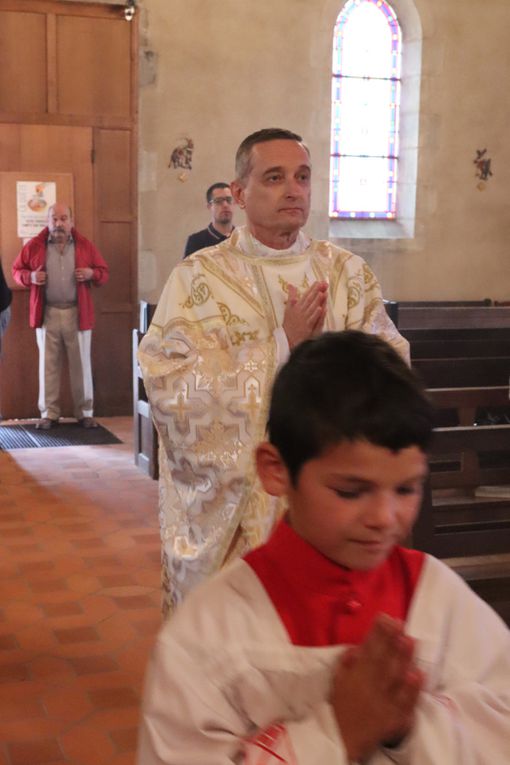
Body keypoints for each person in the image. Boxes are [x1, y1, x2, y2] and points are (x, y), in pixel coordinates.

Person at [137, 331, 510, 764]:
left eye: (406, 488)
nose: (385, 518)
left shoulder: (438, 597)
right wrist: (339, 734)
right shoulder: (207, 633)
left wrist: (406, 726)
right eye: (351, 491)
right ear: (276, 470)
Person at [138, 127, 409, 615]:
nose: (294, 189)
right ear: (240, 194)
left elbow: (393, 373)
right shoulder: (199, 278)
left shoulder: (346, 273)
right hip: (242, 517)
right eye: (275, 177)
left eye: (303, 177)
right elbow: (168, 385)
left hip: (334, 502)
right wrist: (282, 344)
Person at [12, 203, 109, 430]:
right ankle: (49, 413)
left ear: (71, 222)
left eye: (63, 219)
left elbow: (104, 273)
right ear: (47, 222)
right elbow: (16, 271)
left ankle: (85, 412)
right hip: (48, 314)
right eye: (54, 219)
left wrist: (91, 273)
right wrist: (31, 277)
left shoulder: (85, 245)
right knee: (48, 365)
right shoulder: (35, 245)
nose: (59, 224)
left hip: (78, 313)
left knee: (81, 364)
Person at [183, 182, 235, 257]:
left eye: (229, 200)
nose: (225, 205)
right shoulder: (196, 241)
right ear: (209, 206)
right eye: (218, 201)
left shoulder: (243, 239)